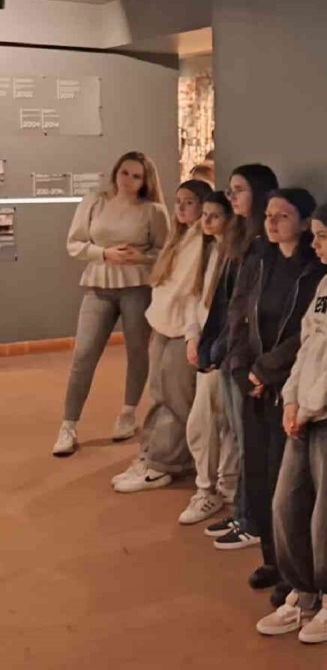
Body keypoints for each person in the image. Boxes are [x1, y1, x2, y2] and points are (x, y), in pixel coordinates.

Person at [257, 197, 327, 644]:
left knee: (326, 516)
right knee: (284, 504)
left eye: (323, 236)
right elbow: (307, 347)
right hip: (301, 412)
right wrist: (291, 400)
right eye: (314, 236)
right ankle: (300, 591)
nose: (315, 244)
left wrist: (307, 407)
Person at [226, 187, 323, 597]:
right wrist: (240, 366)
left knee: (289, 485)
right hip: (253, 384)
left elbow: (308, 331)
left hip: (287, 384)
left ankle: (293, 571)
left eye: (282, 216)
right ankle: (271, 558)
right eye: (268, 214)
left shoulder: (314, 268)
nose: (271, 222)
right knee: (259, 476)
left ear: (304, 222)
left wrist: (266, 370)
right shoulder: (260, 259)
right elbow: (239, 312)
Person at [54, 151, 169, 456]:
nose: (128, 180)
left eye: (136, 176)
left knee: (137, 352)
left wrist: (140, 256)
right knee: (83, 354)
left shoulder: (154, 210)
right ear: (116, 171)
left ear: (145, 180)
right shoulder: (94, 200)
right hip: (98, 285)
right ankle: (68, 425)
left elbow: (166, 252)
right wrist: (104, 254)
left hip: (137, 287)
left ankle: (128, 413)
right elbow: (74, 243)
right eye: (124, 172)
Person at [112, 179, 215, 492]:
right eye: (178, 201)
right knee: (158, 394)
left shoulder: (206, 242)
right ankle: (152, 453)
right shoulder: (178, 238)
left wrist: (192, 333)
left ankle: (165, 463)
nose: (181, 207)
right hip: (163, 324)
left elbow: (195, 292)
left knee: (175, 399)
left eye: (189, 202)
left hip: (184, 329)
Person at [203, 163, 279, 551]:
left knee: (251, 443)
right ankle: (243, 511)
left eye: (239, 190)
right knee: (236, 435)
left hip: (247, 356)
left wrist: (239, 353)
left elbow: (252, 306)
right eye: (230, 190)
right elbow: (228, 301)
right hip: (232, 350)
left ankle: (252, 519)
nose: (231, 197)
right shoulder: (239, 238)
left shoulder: (264, 244)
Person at [179, 191, 239, 525]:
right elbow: (194, 300)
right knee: (207, 419)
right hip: (206, 347)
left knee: (212, 420)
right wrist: (192, 337)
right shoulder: (208, 253)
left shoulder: (235, 258)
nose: (206, 221)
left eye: (215, 215)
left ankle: (215, 488)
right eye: (204, 214)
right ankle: (212, 486)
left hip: (221, 350)